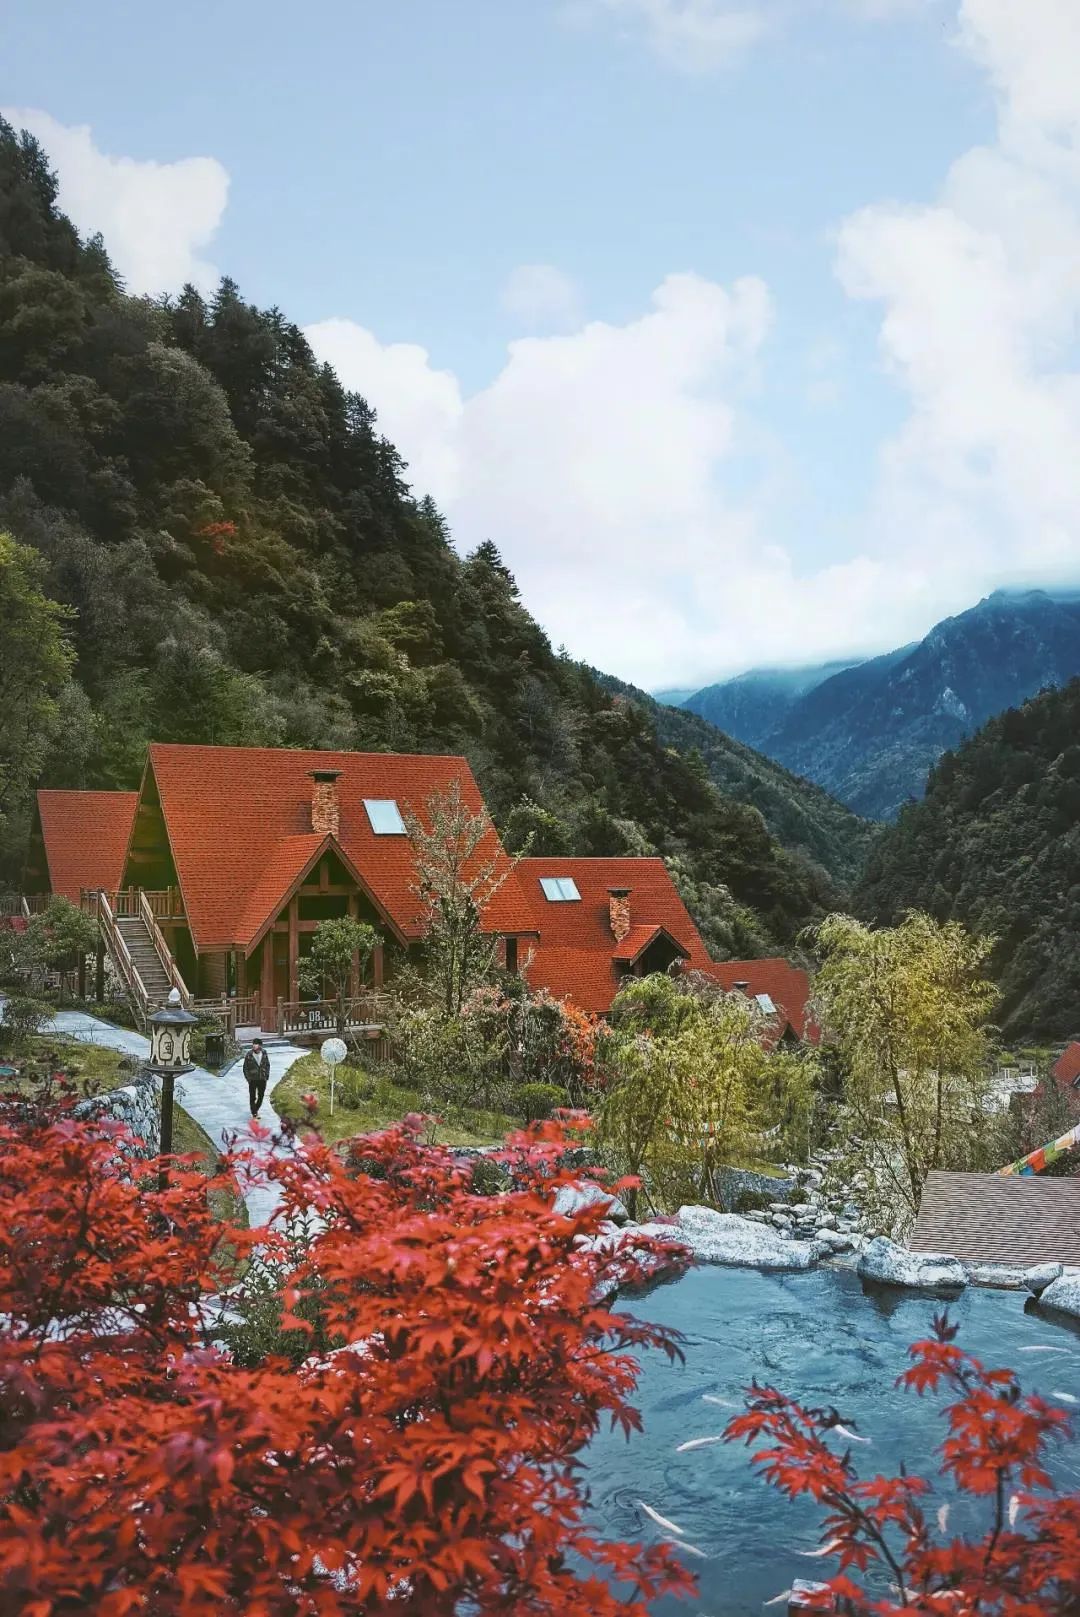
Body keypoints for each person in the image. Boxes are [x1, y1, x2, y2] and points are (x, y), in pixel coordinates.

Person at [243, 1037, 270, 1117]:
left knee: (261, 1096)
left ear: (260, 1045)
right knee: (252, 1097)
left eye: (256, 1044)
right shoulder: (249, 1054)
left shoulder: (264, 1053)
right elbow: (245, 1067)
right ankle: (254, 1112)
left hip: (262, 1078)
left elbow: (267, 1064)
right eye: (253, 1044)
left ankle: (255, 1109)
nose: (254, 1045)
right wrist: (248, 1078)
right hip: (253, 1079)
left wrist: (266, 1075)